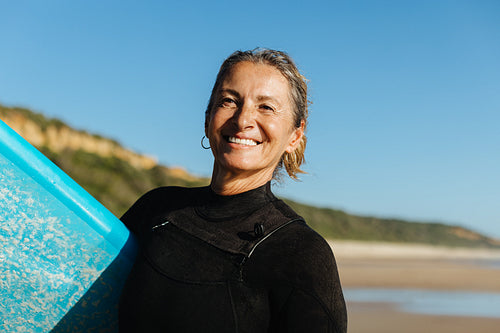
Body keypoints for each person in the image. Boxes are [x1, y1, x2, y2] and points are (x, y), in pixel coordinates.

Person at [118, 48, 347, 332]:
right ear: (207, 117)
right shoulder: (156, 208)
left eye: (266, 107)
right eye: (229, 101)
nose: (242, 120)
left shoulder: (301, 254)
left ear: (294, 135)